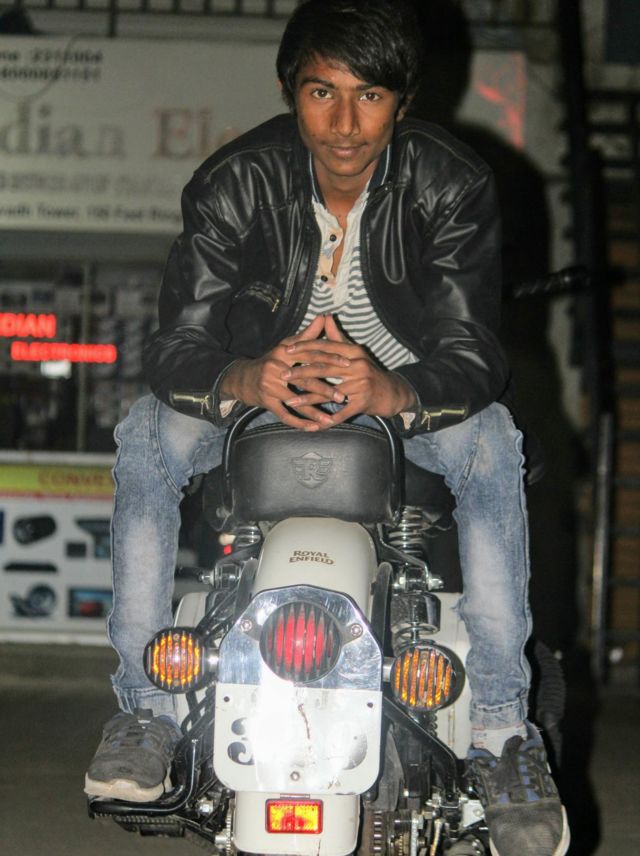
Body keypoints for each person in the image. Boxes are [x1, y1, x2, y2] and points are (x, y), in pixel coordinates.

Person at [85, 2, 569, 854]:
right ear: (289, 90)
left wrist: (393, 388)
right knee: (145, 438)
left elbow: (472, 353)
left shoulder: (452, 184)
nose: (345, 124)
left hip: (400, 397)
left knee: (493, 439)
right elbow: (175, 345)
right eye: (322, 92)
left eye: (369, 95)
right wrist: (245, 376)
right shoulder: (234, 181)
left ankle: (501, 730)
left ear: (403, 101)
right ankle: (144, 712)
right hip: (260, 391)